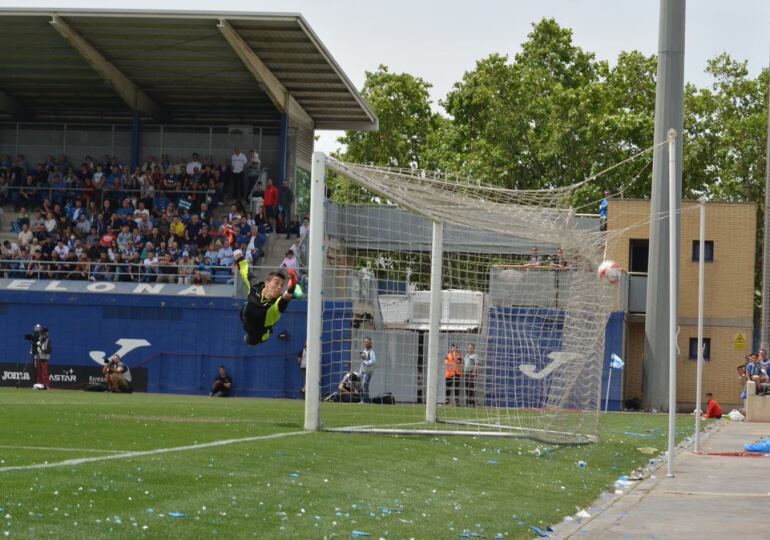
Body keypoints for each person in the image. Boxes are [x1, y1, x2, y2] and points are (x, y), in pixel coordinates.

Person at [233, 249, 303, 346]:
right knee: (247, 308)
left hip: (261, 329)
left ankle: (265, 335)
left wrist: (291, 289)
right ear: (266, 283)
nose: (279, 287)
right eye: (276, 283)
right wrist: (238, 256)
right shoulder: (255, 286)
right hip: (246, 319)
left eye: (282, 285)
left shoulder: (276, 304)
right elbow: (245, 271)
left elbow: (284, 298)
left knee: (253, 341)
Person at [31, 324, 52, 389]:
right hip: (38, 358)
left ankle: (47, 385)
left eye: (45, 332)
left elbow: (49, 350)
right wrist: (34, 349)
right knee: (38, 372)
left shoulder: (48, 340)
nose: (44, 333)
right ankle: (39, 384)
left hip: (44, 358)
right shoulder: (39, 339)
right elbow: (35, 348)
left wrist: (41, 349)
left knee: (44, 372)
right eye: (43, 332)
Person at [359, 336, 377, 403]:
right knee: (362, 385)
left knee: (364, 385)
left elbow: (374, 361)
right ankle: (363, 400)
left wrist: (367, 363)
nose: (366, 343)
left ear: (370, 343)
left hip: (368, 372)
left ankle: (365, 400)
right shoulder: (363, 351)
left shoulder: (371, 352)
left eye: (368, 342)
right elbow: (362, 362)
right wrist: (360, 371)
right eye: (365, 342)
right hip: (363, 371)